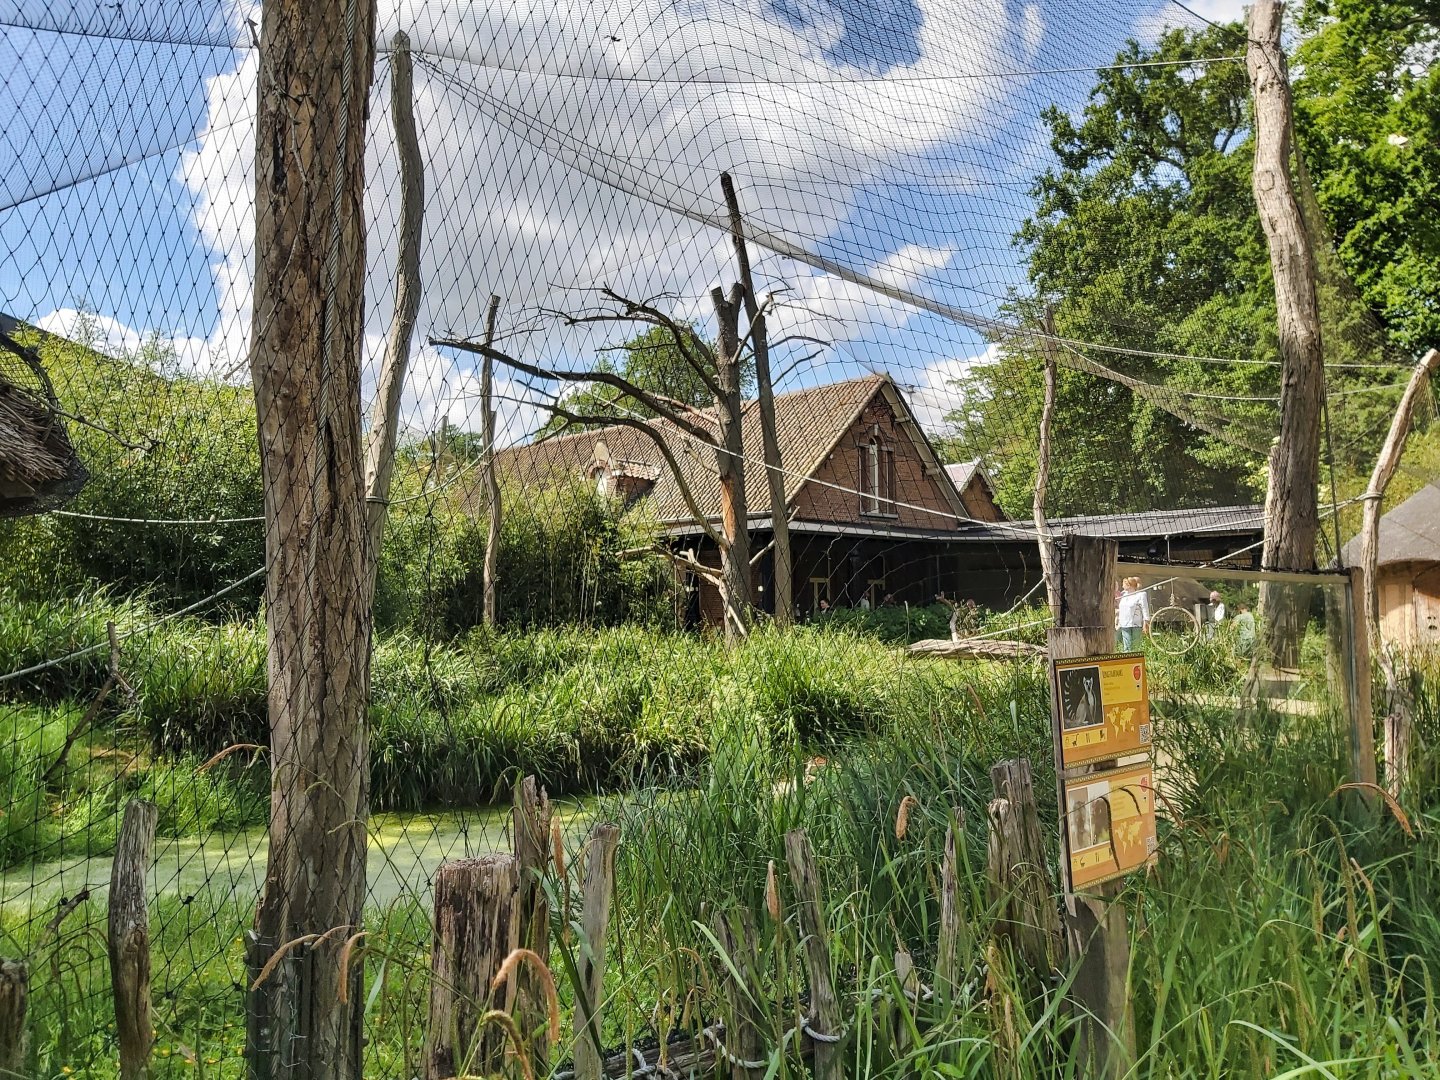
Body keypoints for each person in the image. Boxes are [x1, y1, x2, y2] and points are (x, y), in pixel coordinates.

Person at [1116, 576, 1150, 651]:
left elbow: (1145, 609)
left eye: (1124, 584)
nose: (1122, 586)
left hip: (1136, 624)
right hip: (1124, 623)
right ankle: (1126, 661)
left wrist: (1146, 622)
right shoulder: (1123, 595)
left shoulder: (1140, 595)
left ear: (1129, 585)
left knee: (1135, 646)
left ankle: (1136, 661)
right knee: (1127, 647)